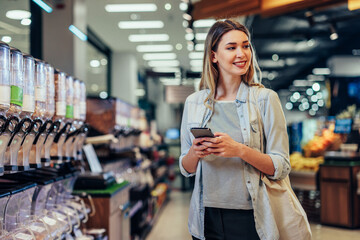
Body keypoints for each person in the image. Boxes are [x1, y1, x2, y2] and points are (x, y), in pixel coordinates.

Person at [179, 19, 291, 240]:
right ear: (213, 56)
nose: (242, 53)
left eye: (246, 45)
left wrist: (239, 150)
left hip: (251, 218)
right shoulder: (194, 102)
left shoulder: (265, 99)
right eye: (231, 47)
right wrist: (195, 152)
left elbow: (282, 165)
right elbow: (186, 167)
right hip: (205, 218)